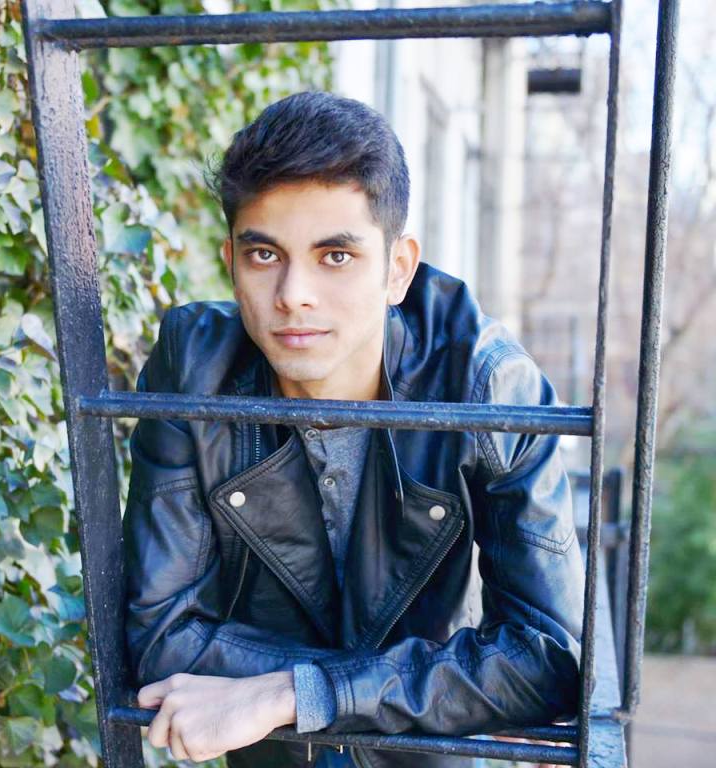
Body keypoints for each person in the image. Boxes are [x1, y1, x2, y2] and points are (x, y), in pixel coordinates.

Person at [122, 90, 585, 768]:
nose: (293, 295)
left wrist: (297, 692)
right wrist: (429, 686)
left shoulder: (485, 384)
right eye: (264, 255)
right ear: (231, 262)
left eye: (335, 256)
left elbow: (550, 655)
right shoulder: (194, 371)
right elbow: (160, 635)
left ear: (398, 269)